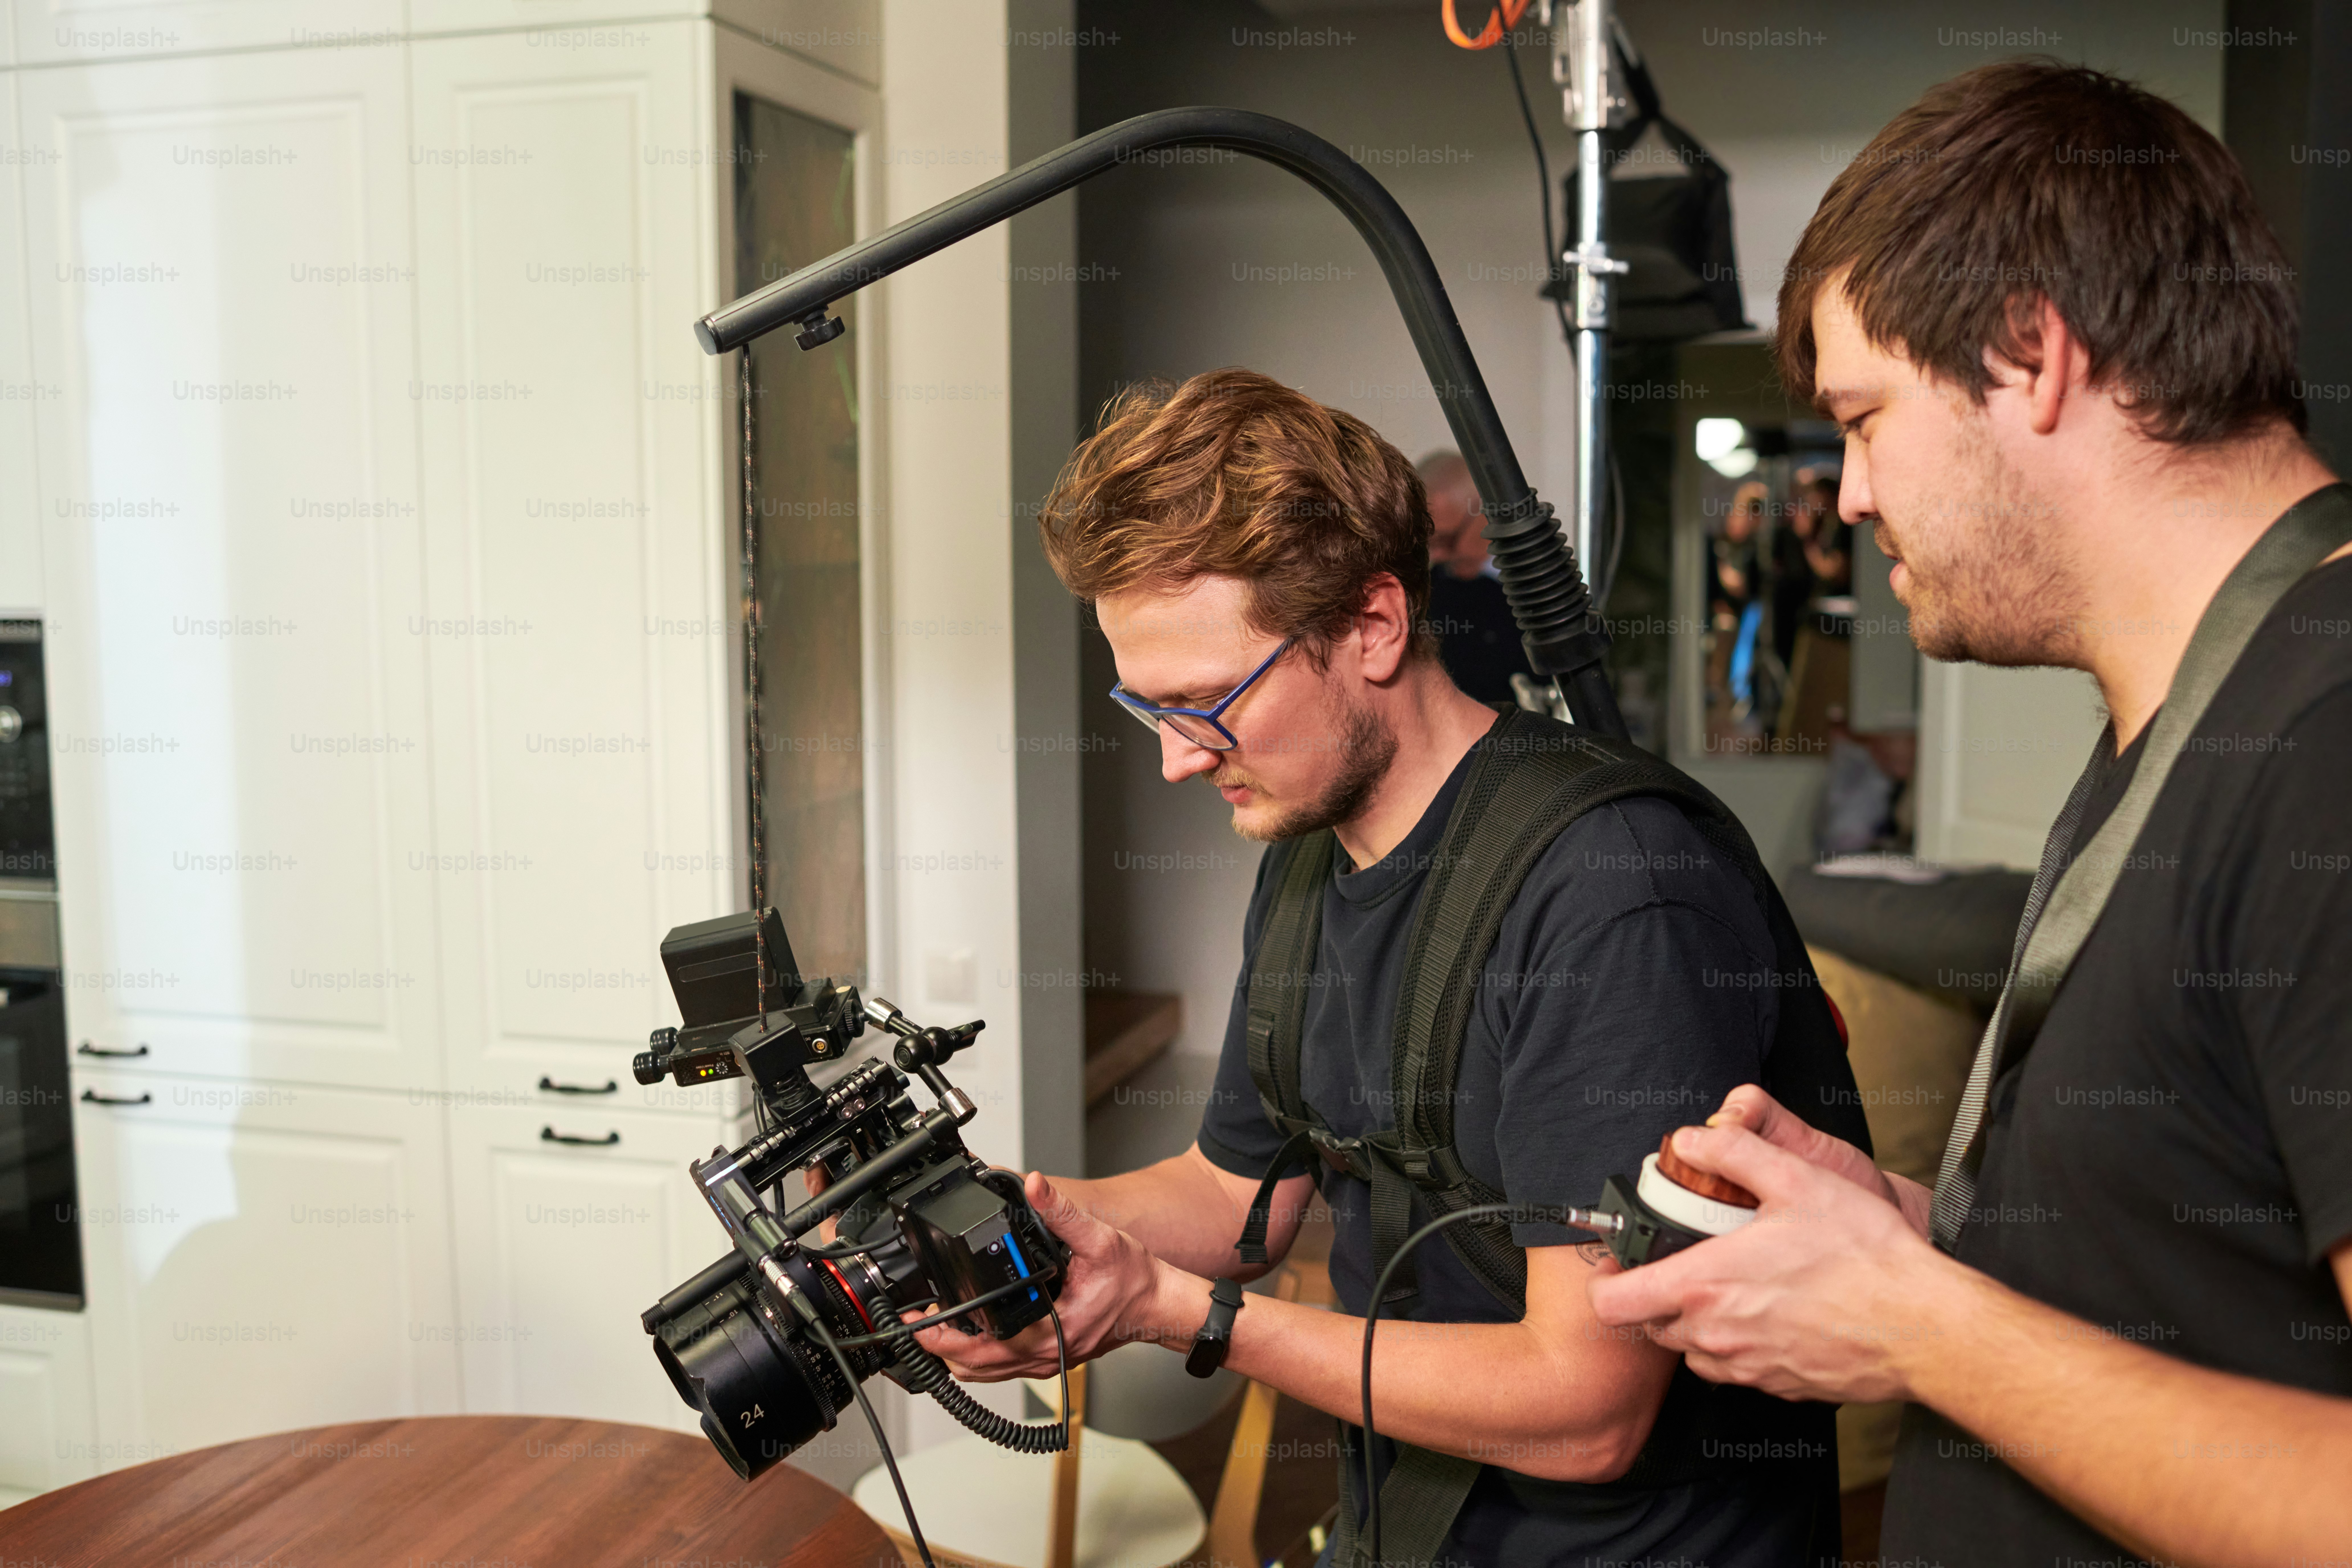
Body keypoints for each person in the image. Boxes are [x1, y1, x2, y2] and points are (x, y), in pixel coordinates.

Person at [1586, 60, 2352, 1567]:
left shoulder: (2328, 738)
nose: (1853, 498)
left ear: (2028, 353)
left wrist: (1911, 1320)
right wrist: (1913, 1233)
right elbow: (2203, 1266)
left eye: (1866, 418)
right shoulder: (2191, 710)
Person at [916, 367, 1856, 1565]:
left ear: (1374, 624)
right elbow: (1235, 1198)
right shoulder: (1312, 846)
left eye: (1209, 702)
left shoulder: (1615, 894)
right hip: (1411, 1521)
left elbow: (1588, 1409)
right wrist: (1010, 1220)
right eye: (1146, 707)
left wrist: (1176, 1312)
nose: (1177, 762)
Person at [1415, 449, 1533, 703]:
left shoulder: (1535, 582)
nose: (1437, 555)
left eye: (1446, 540)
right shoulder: (1425, 594)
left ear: (1483, 512)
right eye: (1428, 543)